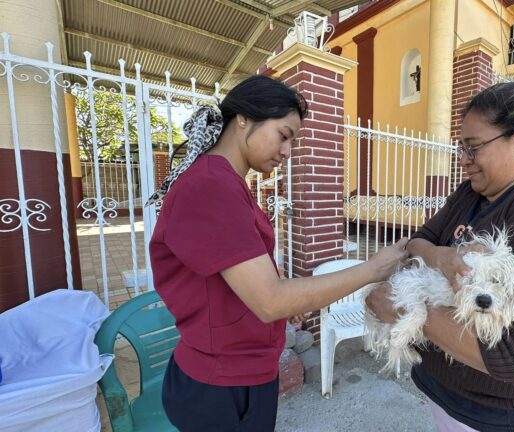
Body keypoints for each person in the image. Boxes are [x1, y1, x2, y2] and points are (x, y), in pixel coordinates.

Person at [147, 75, 407, 432]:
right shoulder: (211, 186)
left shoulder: (226, 181)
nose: (287, 151)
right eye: (284, 135)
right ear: (243, 118)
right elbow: (270, 300)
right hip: (221, 385)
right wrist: (372, 269)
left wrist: (285, 290)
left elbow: (234, 269)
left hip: (241, 372)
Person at [366, 81, 514, 432]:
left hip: (503, 418)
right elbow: (418, 241)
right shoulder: (471, 194)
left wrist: (406, 309)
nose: (464, 160)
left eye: (473, 148)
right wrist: (441, 256)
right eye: (462, 148)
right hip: (448, 398)